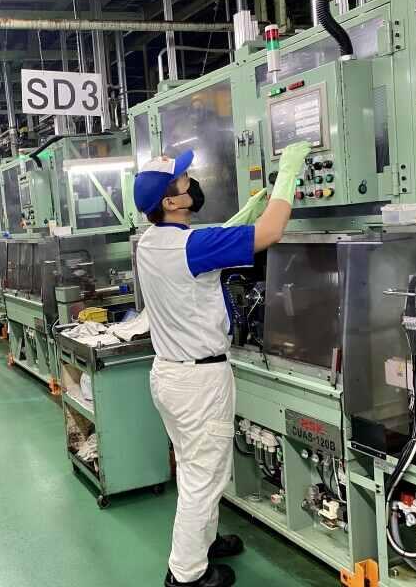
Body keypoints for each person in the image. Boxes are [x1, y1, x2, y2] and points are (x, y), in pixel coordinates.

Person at [133, 141, 312, 587]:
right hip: (199, 381)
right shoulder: (191, 246)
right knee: (203, 477)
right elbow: (271, 233)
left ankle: (202, 542)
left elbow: (203, 248)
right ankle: (187, 575)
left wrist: (242, 217)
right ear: (171, 202)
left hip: (170, 375)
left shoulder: (151, 241)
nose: (191, 183)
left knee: (195, 466)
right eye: (182, 181)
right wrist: (288, 174)